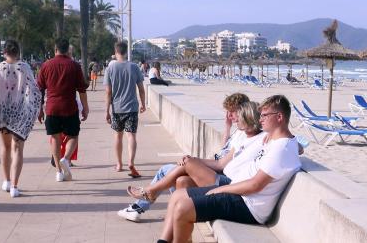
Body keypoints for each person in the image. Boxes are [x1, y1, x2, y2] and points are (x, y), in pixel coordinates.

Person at [158, 95, 302, 243]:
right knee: (178, 195)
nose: (260, 119)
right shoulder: (278, 140)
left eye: (265, 115)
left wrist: (220, 189)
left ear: (279, 117)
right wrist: (272, 136)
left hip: (248, 205)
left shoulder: (281, 149)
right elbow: (295, 145)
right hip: (240, 193)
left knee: (183, 208)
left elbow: (255, 185)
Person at [124, 101, 263, 220]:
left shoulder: (259, 139)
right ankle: (177, 220)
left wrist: (193, 161)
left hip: (226, 181)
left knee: (171, 168)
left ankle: (148, 195)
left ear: (247, 116)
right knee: (181, 180)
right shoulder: (241, 135)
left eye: (236, 114)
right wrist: (194, 159)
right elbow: (222, 158)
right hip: (219, 174)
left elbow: (221, 165)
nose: (233, 118)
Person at [0, 39, 41, 198]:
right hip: (19, 112)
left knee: (5, 147)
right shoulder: (25, 68)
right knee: (17, 148)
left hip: (1, 112)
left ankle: (6, 180)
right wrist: (34, 109)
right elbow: (35, 91)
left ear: (4, 52)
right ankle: (14, 186)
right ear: (18, 52)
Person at [36, 37, 89, 182]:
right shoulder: (74, 66)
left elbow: (39, 89)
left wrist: (39, 109)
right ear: (67, 50)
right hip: (69, 108)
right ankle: (65, 158)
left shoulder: (46, 66)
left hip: (52, 108)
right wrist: (85, 108)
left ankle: (58, 172)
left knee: (55, 138)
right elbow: (82, 90)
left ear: (55, 49)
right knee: (73, 135)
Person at [104, 41, 145, 177]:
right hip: (132, 107)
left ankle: (119, 164)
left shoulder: (110, 69)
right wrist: (143, 104)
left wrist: (107, 111)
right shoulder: (134, 67)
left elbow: (108, 92)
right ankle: (131, 162)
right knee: (131, 135)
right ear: (126, 52)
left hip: (117, 108)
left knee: (118, 136)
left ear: (116, 52)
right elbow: (141, 89)